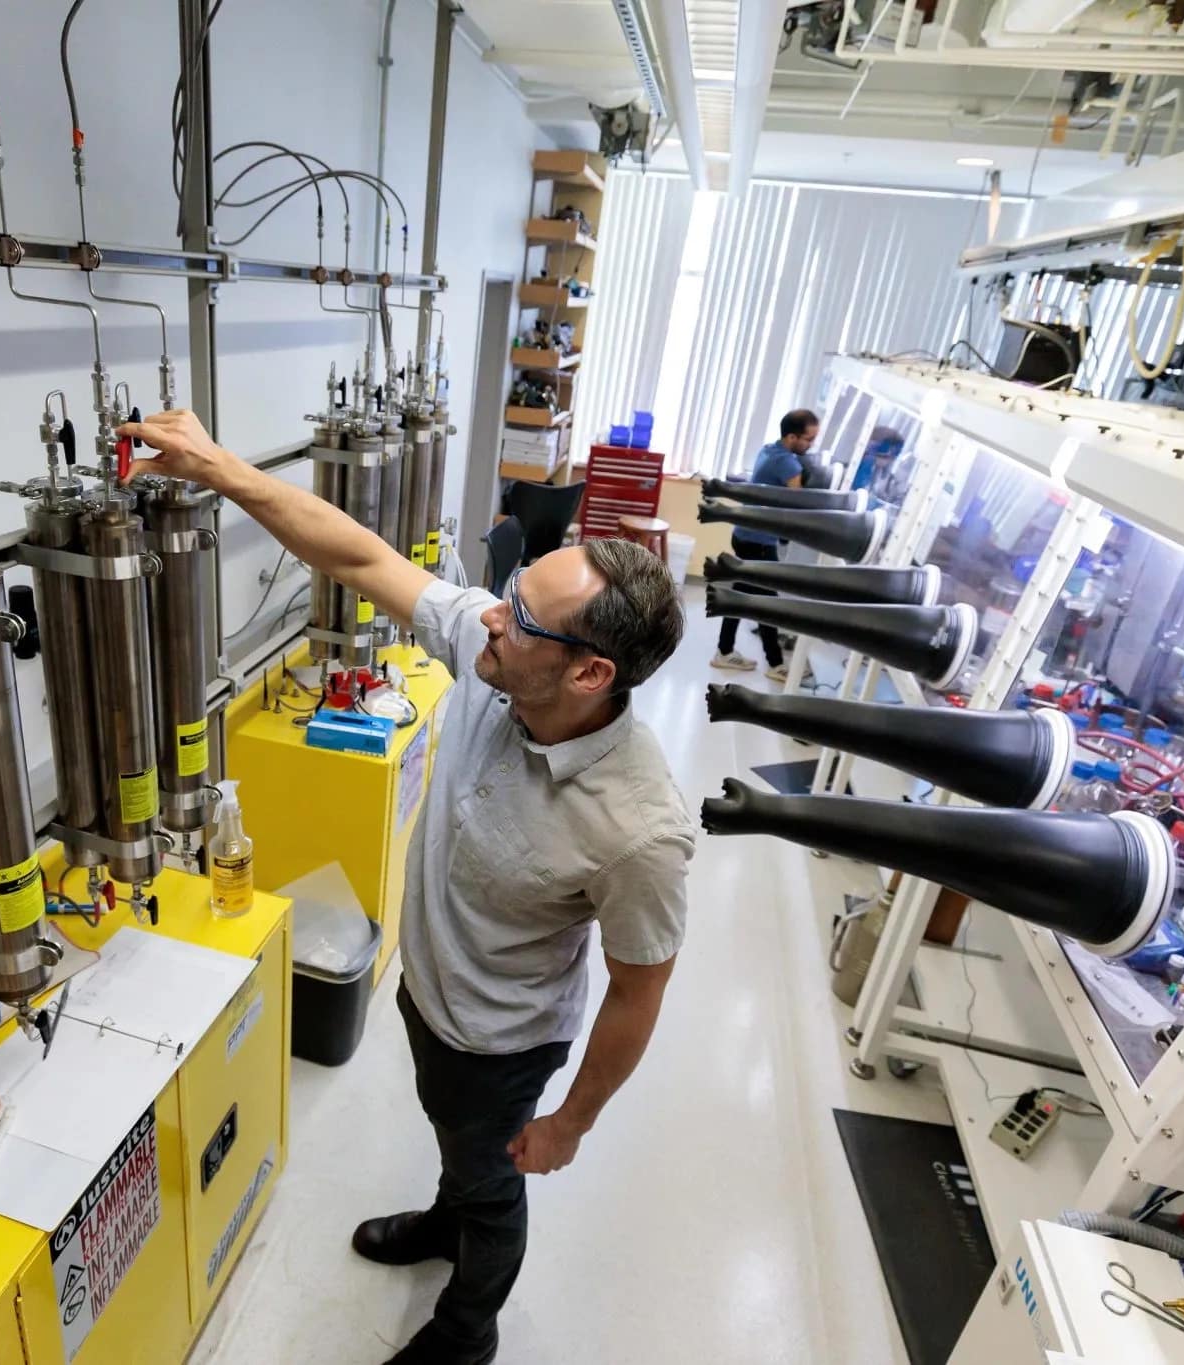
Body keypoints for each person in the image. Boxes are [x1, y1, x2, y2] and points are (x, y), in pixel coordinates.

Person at [118, 409, 696, 1365]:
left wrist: (571, 1122)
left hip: (500, 1043)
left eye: (523, 617)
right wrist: (222, 466)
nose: (492, 617)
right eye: (508, 594)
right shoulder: (500, 659)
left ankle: (467, 1334)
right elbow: (358, 555)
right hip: (425, 992)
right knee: (456, 1150)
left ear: (592, 671)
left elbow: (642, 991)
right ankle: (445, 1212)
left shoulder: (639, 828)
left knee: (491, 1177)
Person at [711, 407, 820, 683]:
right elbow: (798, 502)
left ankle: (725, 651)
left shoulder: (769, 450)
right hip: (758, 540)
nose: (811, 445)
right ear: (792, 437)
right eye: (808, 440)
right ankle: (774, 663)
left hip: (745, 533)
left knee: (746, 595)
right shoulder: (788, 463)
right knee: (766, 602)